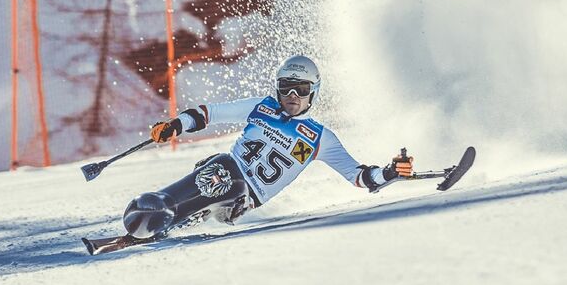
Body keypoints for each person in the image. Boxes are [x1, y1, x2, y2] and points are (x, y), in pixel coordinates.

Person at [120, 55, 414, 240]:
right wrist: (176, 126)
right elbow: (210, 114)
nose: (292, 95)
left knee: (229, 181)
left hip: (245, 198)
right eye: (286, 86)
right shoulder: (263, 107)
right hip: (222, 171)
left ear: (313, 92)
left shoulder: (319, 138)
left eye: (301, 89)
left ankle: (168, 212)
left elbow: (358, 176)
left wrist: (389, 173)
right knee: (222, 169)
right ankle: (163, 208)